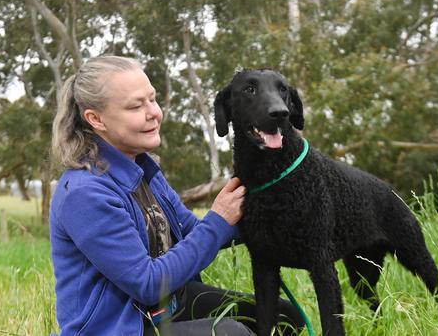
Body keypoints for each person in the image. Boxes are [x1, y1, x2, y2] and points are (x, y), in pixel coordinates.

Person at [50, 55, 304, 335]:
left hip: (170, 305)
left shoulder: (142, 168)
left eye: (152, 99)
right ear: (95, 119)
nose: (154, 113)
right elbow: (147, 284)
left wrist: (263, 214)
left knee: (284, 316)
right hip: (123, 326)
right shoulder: (85, 194)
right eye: (136, 105)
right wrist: (219, 219)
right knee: (232, 333)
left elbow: (190, 230)